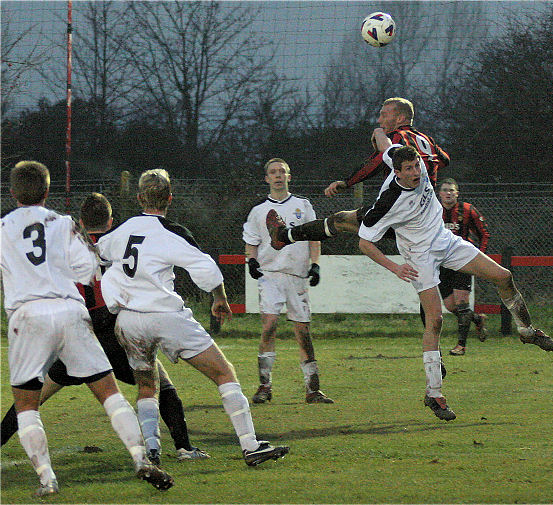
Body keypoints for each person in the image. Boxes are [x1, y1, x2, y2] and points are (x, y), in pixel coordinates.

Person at [0, 161, 173, 496]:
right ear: (47, 192)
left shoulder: (3, 227)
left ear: (11, 192)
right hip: (69, 310)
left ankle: (47, 479)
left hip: (27, 315)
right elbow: (86, 268)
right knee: (110, 393)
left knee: (27, 406)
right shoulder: (62, 223)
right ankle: (140, 457)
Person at [95, 168, 289, 467]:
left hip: (129, 321)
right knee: (224, 373)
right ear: (170, 199)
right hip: (165, 317)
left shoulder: (123, 229)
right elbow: (205, 267)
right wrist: (220, 297)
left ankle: (152, 450)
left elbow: (100, 254)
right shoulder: (171, 231)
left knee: (147, 385)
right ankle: (251, 446)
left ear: (138, 198)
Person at [356, 141, 553, 422]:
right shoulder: (389, 201)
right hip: (419, 256)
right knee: (435, 320)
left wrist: (380, 130)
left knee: (504, 276)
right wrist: (395, 267)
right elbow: (365, 242)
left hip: (444, 240)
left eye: (418, 165)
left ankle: (527, 331)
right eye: (410, 169)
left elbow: (387, 145)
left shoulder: (404, 159)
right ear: (398, 174)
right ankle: (434, 393)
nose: (417, 172)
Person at [1, 193, 210, 464]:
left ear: (80, 222)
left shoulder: (64, 248)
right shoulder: (118, 245)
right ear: (111, 221)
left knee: (32, 398)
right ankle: (183, 447)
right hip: (113, 334)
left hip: (77, 336)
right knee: (160, 386)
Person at [266, 97, 450, 249]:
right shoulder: (426, 139)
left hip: (402, 211)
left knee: (342, 222)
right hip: (424, 215)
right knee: (342, 220)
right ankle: (284, 237)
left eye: (384, 115)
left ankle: (283, 237)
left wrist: (347, 183)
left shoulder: (397, 137)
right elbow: (443, 160)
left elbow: (374, 164)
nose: (379, 120)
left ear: (400, 118)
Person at [243, 159, 334, 405]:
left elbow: (315, 238)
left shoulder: (303, 206)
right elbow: (251, 241)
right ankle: (264, 385)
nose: (277, 176)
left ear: (289, 176)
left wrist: (315, 264)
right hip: (270, 276)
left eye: (282, 171)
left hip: (297, 277)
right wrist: (251, 261)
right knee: (269, 325)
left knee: (303, 331)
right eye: (272, 172)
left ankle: (313, 389)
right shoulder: (258, 211)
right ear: (267, 178)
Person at [436, 178, 490, 356]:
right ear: (439, 193)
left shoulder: (467, 210)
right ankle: (477, 319)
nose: (448, 193)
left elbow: (484, 234)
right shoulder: (433, 211)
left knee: (461, 304)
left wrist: (478, 258)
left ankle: (461, 346)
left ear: (457, 193)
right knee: (451, 306)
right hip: (441, 264)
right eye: (445, 190)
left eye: (452, 190)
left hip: (462, 263)